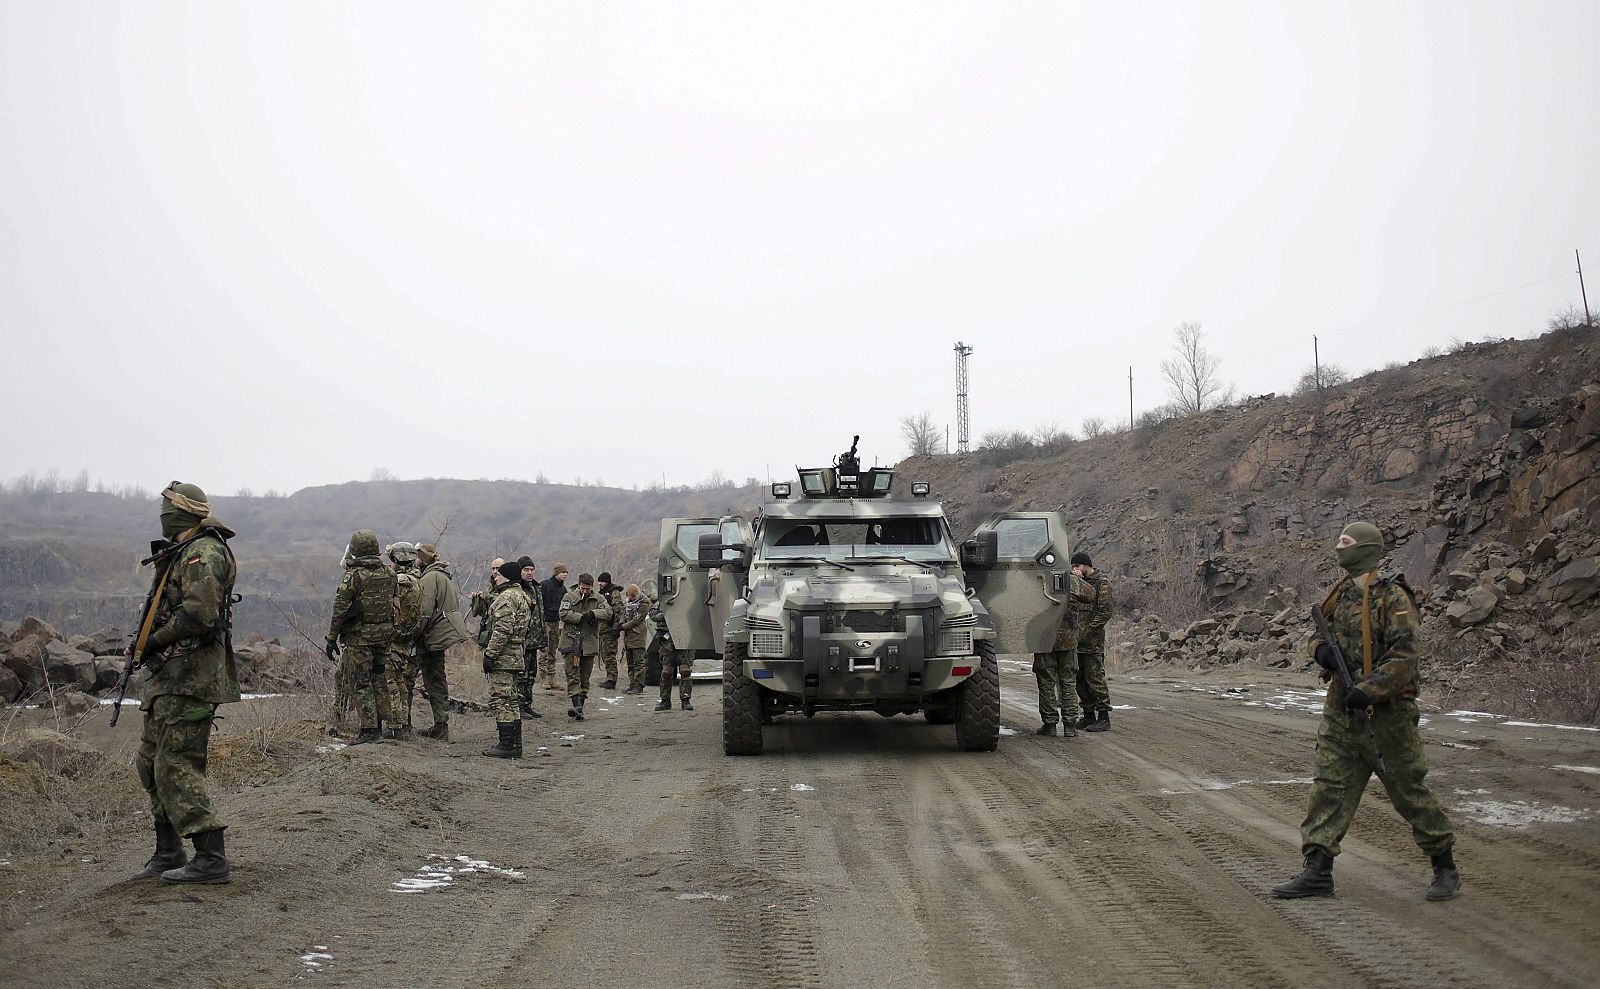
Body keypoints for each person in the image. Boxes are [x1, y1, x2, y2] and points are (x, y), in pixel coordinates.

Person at [1272, 521, 1461, 902]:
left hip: (1387, 715)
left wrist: (1370, 691)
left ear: (1367, 549)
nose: (1339, 547)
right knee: (1329, 789)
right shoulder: (1340, 594)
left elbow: (1404, 656)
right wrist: (1319, 652)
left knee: (1408, 790)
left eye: (1346, 542)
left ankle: (1444, 865)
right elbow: (1318, 634)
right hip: (1342, 709)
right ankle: (1317, 870)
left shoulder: (1393, 597)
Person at [130, 481, 240, 885]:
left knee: (177, 763)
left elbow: (200, 614)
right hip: (170, 676)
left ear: (183, 512)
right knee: (150, 763)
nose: (161, 513)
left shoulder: (202, 552)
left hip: (192, 675)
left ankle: (211, 857)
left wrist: (152, 641)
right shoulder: (182, 551)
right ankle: (168, 851)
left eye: (166, 507)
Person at [326, 529, 396, 745]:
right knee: (378, 678)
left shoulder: (353, 577)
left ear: (355, 550)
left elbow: (340, 609)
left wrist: (331, 638)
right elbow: (394, 605)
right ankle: (384, 725)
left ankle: (369, 730)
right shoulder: (389, 574)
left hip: (360, 638)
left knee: (361, 682)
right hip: (384, 636)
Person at [414, 543, 470, 740]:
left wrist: (413, 635)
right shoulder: (444, 575)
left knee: (431, 678)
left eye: (417, 557)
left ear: (423, 558)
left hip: (433, 636)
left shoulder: (430, 577)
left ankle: (437, 726)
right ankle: (441, 724)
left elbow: (425, 611)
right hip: (442, 633)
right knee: (437, 677)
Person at [479, 560, 533, 758]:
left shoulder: (507, 597)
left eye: (499, 574)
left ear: (507, 577)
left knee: (501, 699)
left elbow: (502, 629)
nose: (496, 576)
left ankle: (506, 745)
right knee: (511, 699)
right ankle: (515, 744)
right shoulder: (523, 596)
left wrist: (490, 655)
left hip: (505, 656)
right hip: (516, 654)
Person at [1033, 572, 1086, 737]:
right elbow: (1090, 594)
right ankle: (1070, 726)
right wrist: (1075, 577)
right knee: (1068, 682)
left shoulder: (1036, 577)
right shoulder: (1068, 579)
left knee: (1046, 683)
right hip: (1067, 641)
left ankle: (1050, 725)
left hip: (1044, 639)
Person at [383, 541, 424, 738]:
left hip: (395, 638)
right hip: (407, 638)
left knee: (390, 680)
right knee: (399, 680)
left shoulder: (400, 581)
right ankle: (402, 725)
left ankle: (395, 727)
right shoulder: (417, 580)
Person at [1071, 553, 1115, 732]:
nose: (1074, 570)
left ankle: (1103, 716)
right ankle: (1088, 714)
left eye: (1076, 567)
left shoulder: (1102, 584)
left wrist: (1088, 632)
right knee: (1079, 679)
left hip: (1092, 642)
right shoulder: (1078, 583)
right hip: (1076, 641)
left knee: (1095, 678)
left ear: (1085, 566)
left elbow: (1104, 612)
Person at [559, 572, 612, 720]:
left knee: (584, 677)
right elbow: (563, 613)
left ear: (592, 587)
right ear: (579, 585)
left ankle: (580, 707)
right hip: (571, 640)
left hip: (588, 642)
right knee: (572, 673)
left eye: (587, 589)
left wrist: (593, 614)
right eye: (582, 589)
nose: (585, 592)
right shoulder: (569, 597)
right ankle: (576, 705)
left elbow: (608, 612)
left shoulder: (598, 598)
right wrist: (580, 617)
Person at [515, 556, 546, 718]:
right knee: (521, 675)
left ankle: (527, 705)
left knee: (531, 675)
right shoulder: (517, 589)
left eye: (532, 570)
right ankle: (518, 707)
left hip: (534, 640)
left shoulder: (536, 587)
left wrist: (543, 638)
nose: (529, 573)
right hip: (522, 640)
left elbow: (540, 615)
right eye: (526, 570)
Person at [653, 605, 693, 712]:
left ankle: (686, 699)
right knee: (666, 671)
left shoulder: (684, 599)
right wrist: (667, 615)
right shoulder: (662, 601)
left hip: (684, 637)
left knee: (685, 671)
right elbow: (652, 615)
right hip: (667, 641)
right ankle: (665, 700)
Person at [538, 564, 569, 691]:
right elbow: (539, 602)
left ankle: (551, 678)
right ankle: (544, 678)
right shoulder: (545, 585)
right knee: (544, 650)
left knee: (553, 650)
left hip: (556, 622)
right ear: (557, 573)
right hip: (545, 621)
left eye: (566, 572)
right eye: (563, 572)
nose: (565, 574)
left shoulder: (563, 589)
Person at [617, 584, 650, 693]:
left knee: (639, 662)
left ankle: (639, 685)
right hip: (628, 637)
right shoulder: (629, 603)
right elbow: (624, 613)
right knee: (630, 662)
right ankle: (632, 683)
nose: (630, 599)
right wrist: (621, 623)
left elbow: (637, 620)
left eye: (632, 597)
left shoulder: (644, 604)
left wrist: (623, 627)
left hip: (638, 635)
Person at [596, 571, 624, 689]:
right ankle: (609, 678)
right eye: (599, 581)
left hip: (610, 629)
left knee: (610, 655)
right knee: (605, 655)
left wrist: (616, 628)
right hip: (603, 629)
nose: (600, 584)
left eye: (602, 581)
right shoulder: (601, 594)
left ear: (607, 582)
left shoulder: (614, 593)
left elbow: (618, 610)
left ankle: (612, 680)